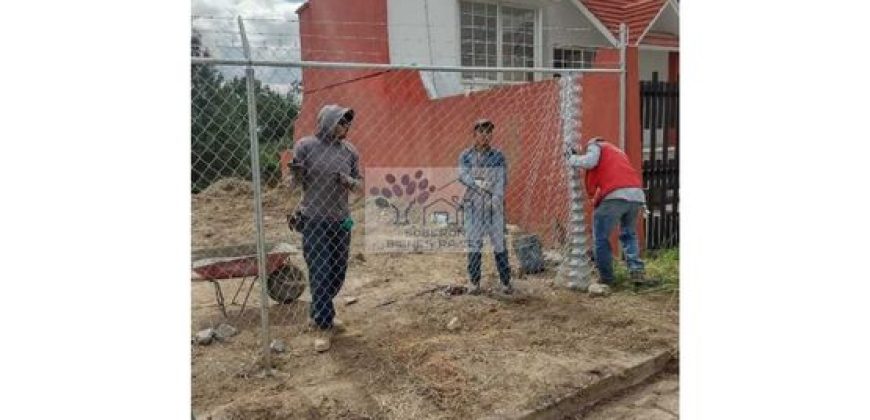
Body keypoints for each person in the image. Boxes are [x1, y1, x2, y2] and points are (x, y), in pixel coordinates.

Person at [288, 104, 362, 352]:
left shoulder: (350, 151)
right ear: (328, 121)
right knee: (320, 270)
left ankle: (320, 311)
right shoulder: (306, 146)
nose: (346, 127)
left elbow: (359, 185)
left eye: (347, 123)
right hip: (314, 219)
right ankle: (323, 326)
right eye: (341, 122)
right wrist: (296, 174)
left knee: (337, 272)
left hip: (341, 219)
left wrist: (348, 180)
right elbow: (292, 183)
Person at [569, 136, 646, 287]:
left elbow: (590, 162)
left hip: (616, 194)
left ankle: (606, 278)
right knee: (629, 234)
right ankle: (636, 271)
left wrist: (572, 158)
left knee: (601, 238)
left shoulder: (596, 146)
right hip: (636, 194)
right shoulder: (618, 152)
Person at [458, 119, 512, 295]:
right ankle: (474, 282)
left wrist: (495, 199)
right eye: (481, 132)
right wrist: (480, 186)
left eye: (489, 132)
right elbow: (464, 176)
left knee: (499, 245)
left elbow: (501, 180)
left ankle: (505, 282)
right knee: (474, 244)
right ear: (474, 134)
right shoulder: (466, 156)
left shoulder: (498, 156)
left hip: (494, 208)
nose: (485, 135)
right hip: (473, 207)